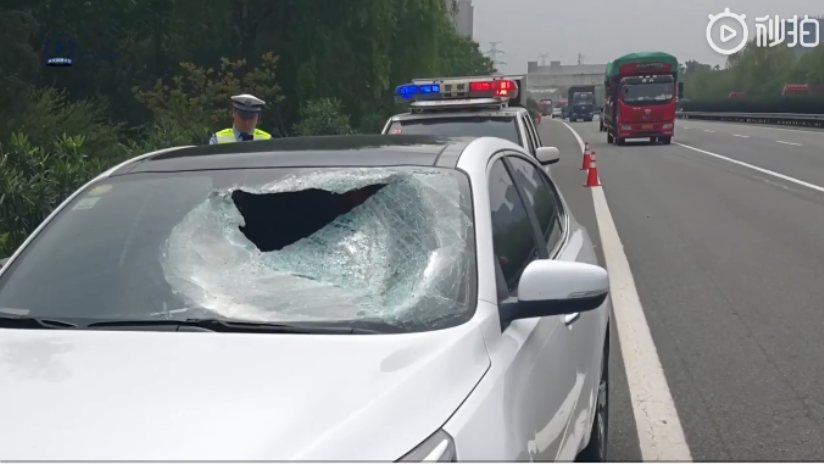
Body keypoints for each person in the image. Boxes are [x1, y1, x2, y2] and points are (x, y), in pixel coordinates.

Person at [209, 94, 273, 144]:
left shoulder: (268, 140)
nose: (247, 122)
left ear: (257, 117)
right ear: (234, 112)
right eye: (243, 117)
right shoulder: (217, 140)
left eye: (251, 118)